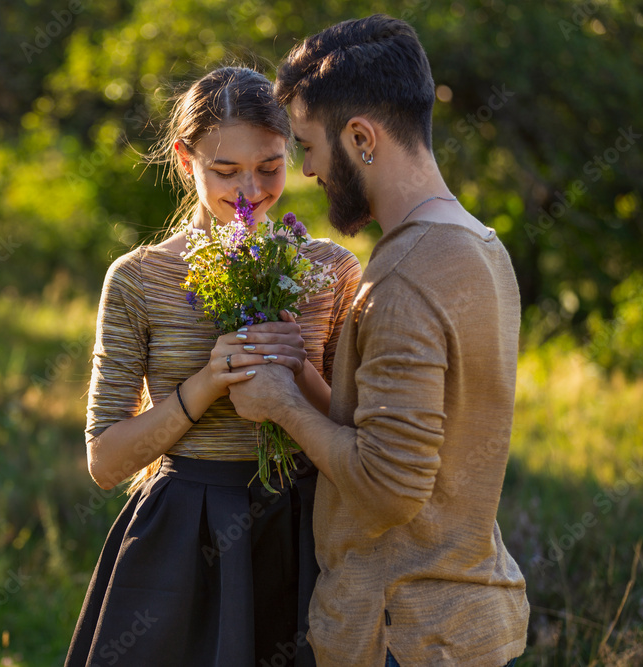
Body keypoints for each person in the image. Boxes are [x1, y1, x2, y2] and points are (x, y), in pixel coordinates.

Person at [227, 15, 530, 667]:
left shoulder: (405, 277)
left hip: (404, 632)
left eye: (308, 145)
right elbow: (423, 434)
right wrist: (308, 373)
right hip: (467, 618)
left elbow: (390, 484)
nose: (305, 169)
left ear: (361, 137)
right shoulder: (479, 244)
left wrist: (281, 404)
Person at [65, 66, 361, 666]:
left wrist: (295, 366)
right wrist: (204, 384)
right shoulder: (139, 278)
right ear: (184, 159)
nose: (249, 190)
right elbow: (105, 462)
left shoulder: (331, 270)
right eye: (225, 171)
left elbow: (357, 433)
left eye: (270, 167)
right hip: (184, 535)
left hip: (302, 530)